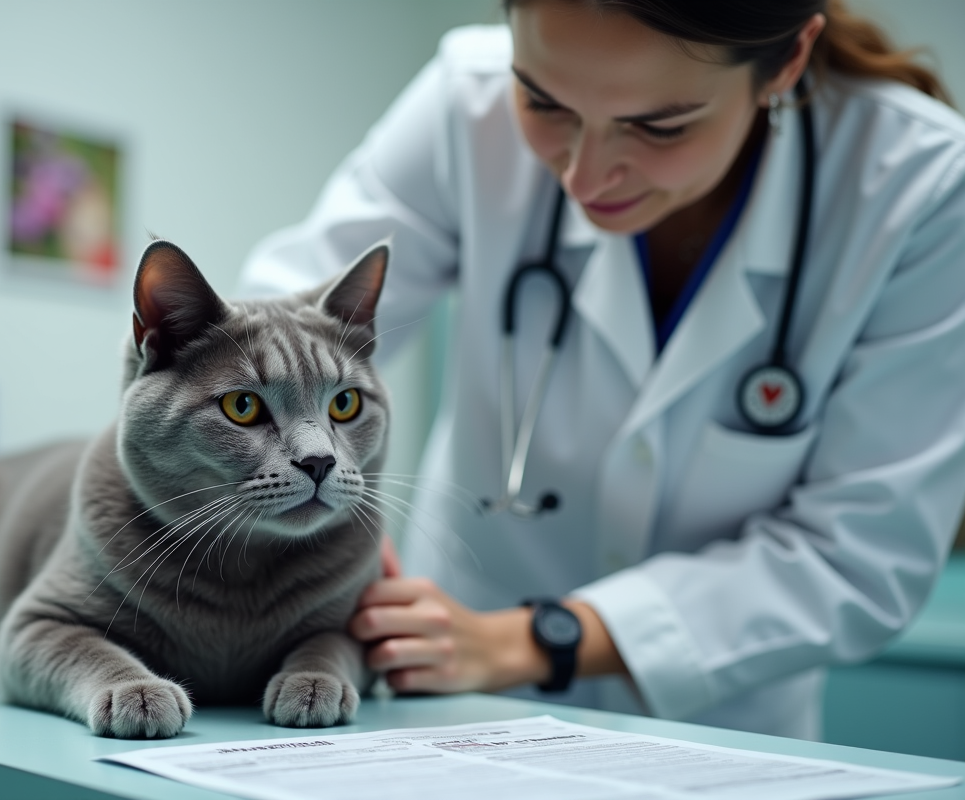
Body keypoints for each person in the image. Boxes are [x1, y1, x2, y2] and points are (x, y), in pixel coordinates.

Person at [238, 0, 965, 739]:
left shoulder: (921, 184)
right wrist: (331, 533)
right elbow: (273, 339)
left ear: (786, 61)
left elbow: (862, 553)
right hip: (440, 697)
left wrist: (528, 641)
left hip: (716, 730)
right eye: (543, 102)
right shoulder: (467, 99)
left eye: (660, 125)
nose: (585, 175)